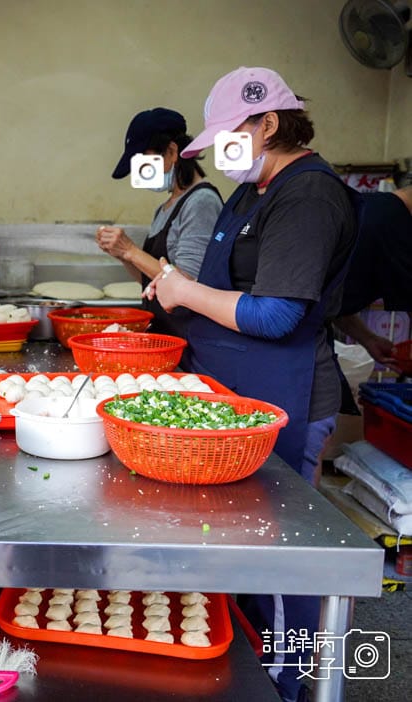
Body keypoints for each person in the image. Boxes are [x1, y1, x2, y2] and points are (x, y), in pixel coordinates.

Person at [146, 67, 359, 702]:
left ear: (269, 123)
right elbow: (226, 283)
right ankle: (258, 672)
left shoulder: (308, 198)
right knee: (246, 559)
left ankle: (300, 684)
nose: (218, 153)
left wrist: (187, 292)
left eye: (229, 137)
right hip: (233, 396)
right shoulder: (251, 191)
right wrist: (175, 289)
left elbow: (276, 314)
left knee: (283, 564)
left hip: (284, 399)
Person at [97, 108, 223, 338]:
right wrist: (122, 254)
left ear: (172, 151)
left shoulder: (201, 202)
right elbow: (150, 282)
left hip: (188, 337)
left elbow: (187, 284)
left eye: (145, 162)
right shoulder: (164, 209)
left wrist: (130, 249)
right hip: (163, 332)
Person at [333, 185, 412, 370]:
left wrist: (368, 338)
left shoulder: (369, 206)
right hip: (288, 337)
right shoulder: (396, 224)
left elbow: (332, 295)